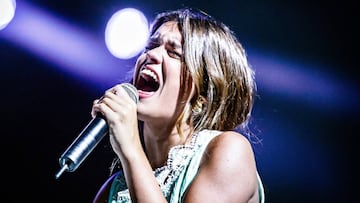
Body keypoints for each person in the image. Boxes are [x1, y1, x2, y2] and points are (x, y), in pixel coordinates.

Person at [92, 7, 265, 203]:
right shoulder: (114, 190)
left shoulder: (230, 151)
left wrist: (131, 149)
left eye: (174, 53)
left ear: (204, 93)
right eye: (150, 46)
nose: (152, 55)